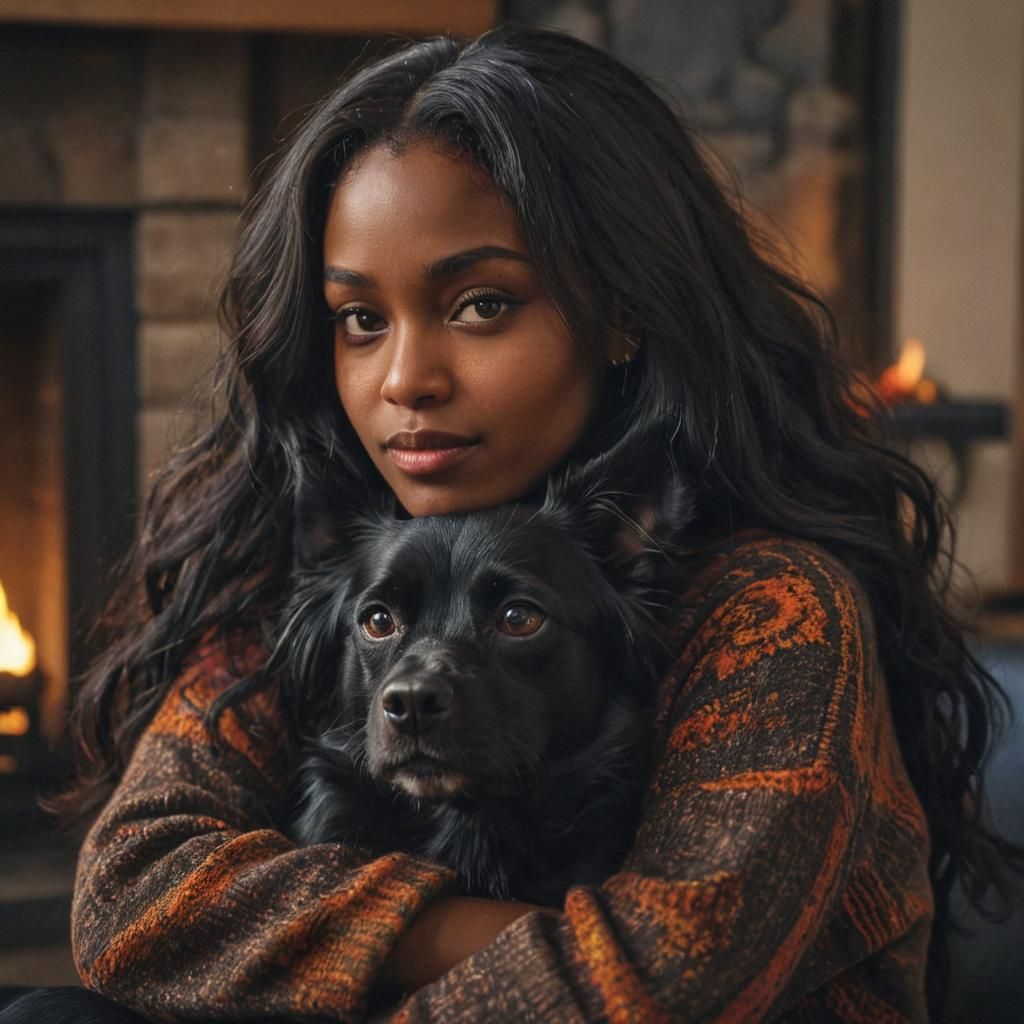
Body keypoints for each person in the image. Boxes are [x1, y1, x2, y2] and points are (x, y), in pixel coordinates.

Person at [11, 24, 1020, 1024]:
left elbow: (655, 976)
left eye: (481, 304)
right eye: (362, 320)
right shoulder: (320, 582)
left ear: (622, 310)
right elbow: (126, 900)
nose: (406, 378)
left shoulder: (775, 609)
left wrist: (299, 946)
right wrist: (483, 927)